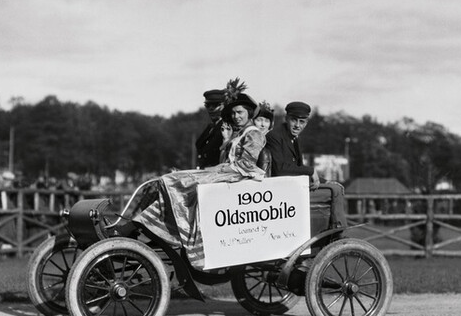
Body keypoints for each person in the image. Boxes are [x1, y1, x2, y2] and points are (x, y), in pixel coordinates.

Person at [119, 82, 265, 269]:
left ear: (249, 113)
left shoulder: (254, 134)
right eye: (234, 113)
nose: (236, 117)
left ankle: (169, 231)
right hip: (228, 172)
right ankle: (151, 226)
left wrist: (216, 169)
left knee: (177, 181)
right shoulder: (237, 133)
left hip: (238, 177)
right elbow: (229, 159)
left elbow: (245, 165)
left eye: (240, 113)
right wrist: (224, 149)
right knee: (166, 180)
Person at [264, 101, 347, 230]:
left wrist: (326, 181)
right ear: (286, 118)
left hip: (294, 186)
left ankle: (330, 229)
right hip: (283, 191)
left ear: (306, 123)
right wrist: (310, 170)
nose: (297, 125)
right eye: (294, 120)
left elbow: (298, 169)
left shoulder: (294, 138)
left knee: (334, 186)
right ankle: (339, 232)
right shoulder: (275, 136)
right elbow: (280, 170)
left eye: (302, 122)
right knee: (335, 191)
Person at [194, 88, 227, 169]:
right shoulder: (210, 127)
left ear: (225, 105)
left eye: (215, 105)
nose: (211, 109)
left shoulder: (227, 127)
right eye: (208, 105)